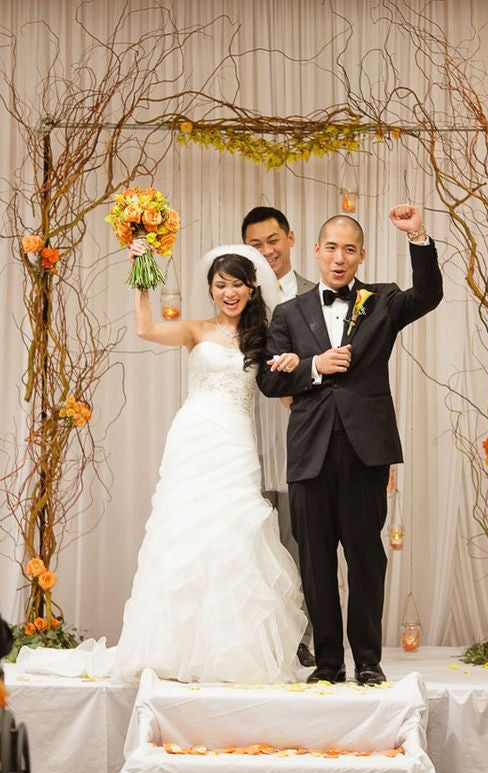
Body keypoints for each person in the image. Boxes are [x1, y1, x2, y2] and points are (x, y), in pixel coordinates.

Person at [257, 205, 443, 686]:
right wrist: (316, 366)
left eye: (350, 250)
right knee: (315, 562)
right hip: (309, 450)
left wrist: (417, 236)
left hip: (366, 450)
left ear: (362, 256)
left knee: (366, 558)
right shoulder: (287, 312)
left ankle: (367, 661)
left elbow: (428, 293)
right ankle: (327, 664)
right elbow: (268, 380)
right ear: (316, 251)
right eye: (332, 248)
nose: (340, 258)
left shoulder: (381, 301)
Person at [113, 244, 307, 684]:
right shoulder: (195, 330)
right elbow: (144, 329)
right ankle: (174, 648)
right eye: (221, 285)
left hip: (236, 441)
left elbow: (285, 394)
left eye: (237, 284)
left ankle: (230, 651)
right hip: (193, 436)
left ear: (252, 287)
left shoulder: (265, 338)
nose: (229, 292)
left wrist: (295, 366)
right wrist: (141, 274)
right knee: (185, 529)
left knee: (233, 531)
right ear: (211, 290)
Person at [242, 206, 316, 667]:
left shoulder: (318, 292)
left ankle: (305, 637)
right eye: (256, 245)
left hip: (305, 426)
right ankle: (257, 638)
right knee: (253, 537)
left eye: (274, 240)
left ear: (290, 237)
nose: (268, 251)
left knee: (303, 537)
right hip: (250, 427)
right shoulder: (239, 297)